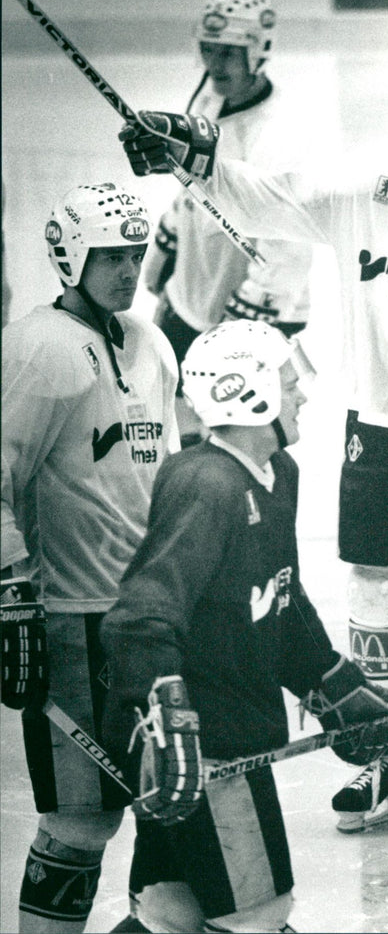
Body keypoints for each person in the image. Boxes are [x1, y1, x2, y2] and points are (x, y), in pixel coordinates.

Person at [116, 73, 388, 835]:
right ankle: (384, 754)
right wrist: (195, 163)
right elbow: (267, 198)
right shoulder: (365, 196)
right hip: (380, 427)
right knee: (377, 591)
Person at [100, 318, 388, 934]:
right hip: (204, 748)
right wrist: (168, 722)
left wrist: (331, 683)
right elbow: (139, 619)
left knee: (172, 909)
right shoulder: (206, 483)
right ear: (248, 392)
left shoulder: (279, 476)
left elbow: (282, 599)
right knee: (258, 914)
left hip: (223, 739)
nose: (302, 394)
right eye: (289, 382)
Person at [0, 182, 179, 934]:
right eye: (109, 256)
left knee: (172, 807)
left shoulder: (152, 341)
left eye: (135, 255)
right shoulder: (37, 347)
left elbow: (167, 473)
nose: (127, 270)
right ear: (71, 256)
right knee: (81, 823)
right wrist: (13, 597)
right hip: (73, 623)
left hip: (149, 616)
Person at [145, 0, 318, 447]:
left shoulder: (282, 133)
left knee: (249, 432)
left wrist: (252, 310)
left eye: (229, 53)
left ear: (258, 52)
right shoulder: (206, 101)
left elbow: (291, 240)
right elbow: (192, 182)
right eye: (209, 50)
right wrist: (172, 232)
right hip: (195, 292)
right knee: (180, 419)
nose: (216, 64)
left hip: (251, 303)